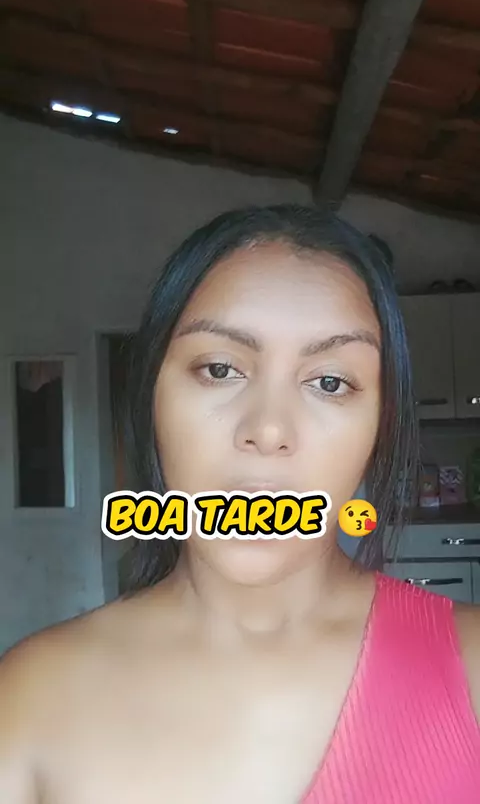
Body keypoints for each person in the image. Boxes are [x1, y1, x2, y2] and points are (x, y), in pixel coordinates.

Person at [1, 204, 479, 803]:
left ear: (380, 426)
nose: (269, 429)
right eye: (221, 369)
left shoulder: (471, 667)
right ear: (152, 397)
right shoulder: (29, 700)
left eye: (330, 382)